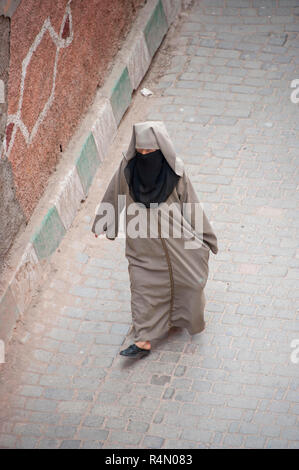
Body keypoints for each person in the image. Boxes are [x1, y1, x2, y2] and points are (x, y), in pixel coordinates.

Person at [91, 121, 218, 359]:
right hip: (142, 246)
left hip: (178, 243)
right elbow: (113, 194)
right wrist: (102, 222)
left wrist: (206, 237)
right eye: (140, 152)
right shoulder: (127, 169)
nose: (144, 156)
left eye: (150, 152)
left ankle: (181, 319)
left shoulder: (176, 171)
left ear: (161, 149)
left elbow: (192, 205)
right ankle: (143, 340)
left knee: (191, 284)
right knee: (142, 289)